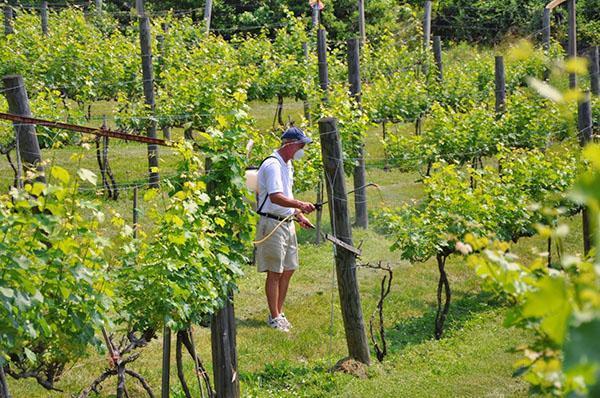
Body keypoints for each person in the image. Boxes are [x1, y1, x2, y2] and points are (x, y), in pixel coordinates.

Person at [254, 126, 316, 332]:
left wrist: (299, 216)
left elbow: (286, 194)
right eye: (301, 145)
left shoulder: (288, 165)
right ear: (289, 144)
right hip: (272, 223)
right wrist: (300, 204)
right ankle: (274, 317)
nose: (302, 149)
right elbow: (275, 196)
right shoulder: (272, 165)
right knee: (275, 272)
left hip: (287, 221)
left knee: (288, 269)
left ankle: (279, 312)